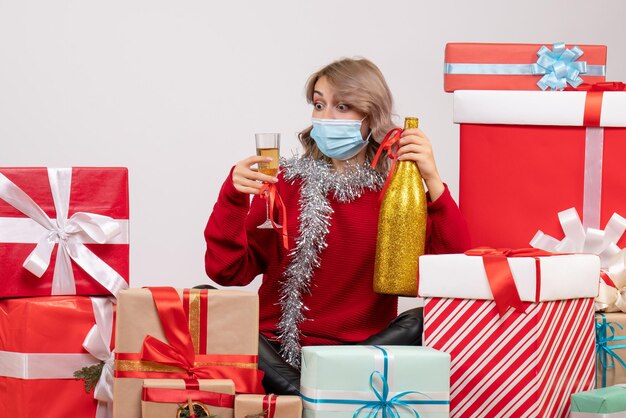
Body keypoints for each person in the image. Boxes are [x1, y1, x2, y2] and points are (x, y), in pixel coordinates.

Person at [204, 57, 471, 395]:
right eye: (319, 104)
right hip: (274, 355)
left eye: (342, 106)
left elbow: (458, 275)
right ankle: (312, 394)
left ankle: (308, 394)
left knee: (424, 318)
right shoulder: (284, 183)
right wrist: (232, 197)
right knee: (204, 300)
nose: (325, 117)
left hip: (356, 357)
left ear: (370, 117)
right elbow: (227, 273)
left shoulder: (396, 192)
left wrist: (431, 179)